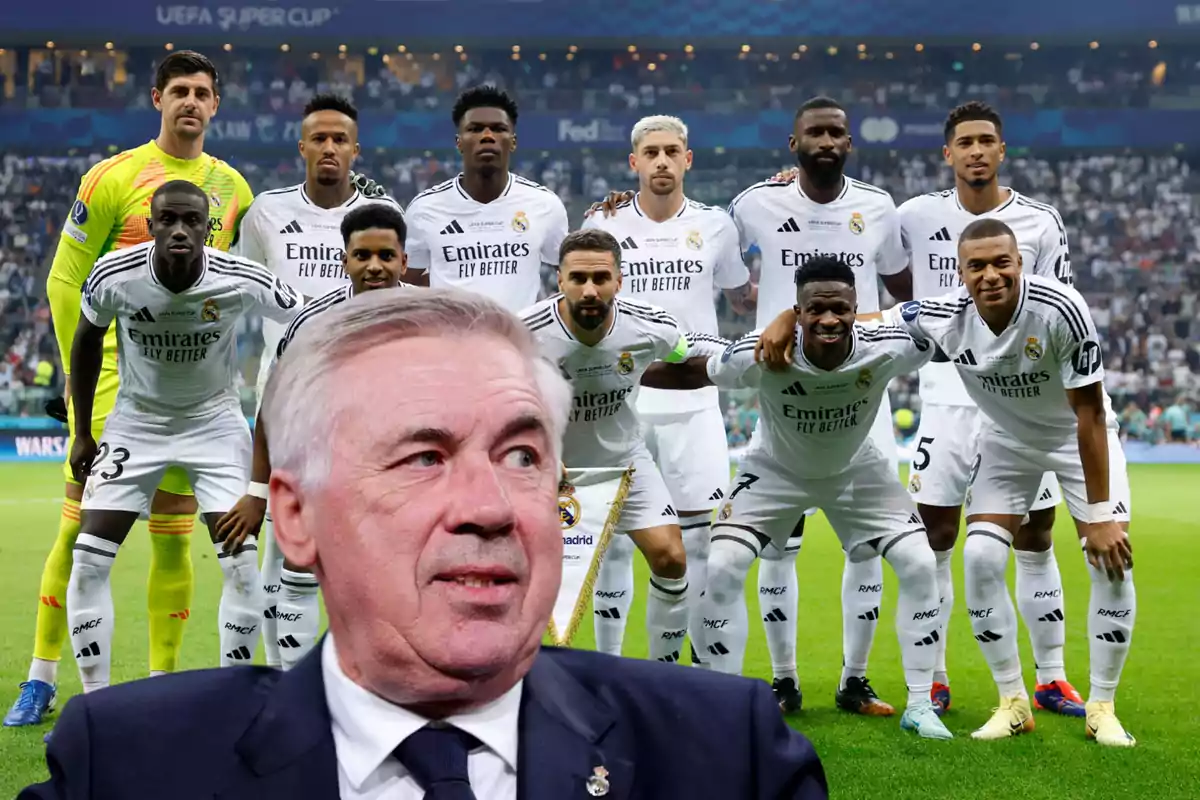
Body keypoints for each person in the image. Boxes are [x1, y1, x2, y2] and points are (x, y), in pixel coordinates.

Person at [21, 288, 830, 800]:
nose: (489, 507)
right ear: (296, 520)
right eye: (422, 458)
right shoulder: (127, 768)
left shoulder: (730, 754)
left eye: (521, 456)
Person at [762, 218, 1136, 746]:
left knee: (1111, 557)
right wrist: (787, 317)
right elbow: (858, 319)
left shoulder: (1062, 309)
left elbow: (1091, 416)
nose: (990, 275)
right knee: (981, 558)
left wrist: (1099, 518)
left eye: (1001, 262)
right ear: (960, 272)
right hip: (1006, 442)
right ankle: (1011, 701)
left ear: (1019, 263)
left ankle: (1103, 704)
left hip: (1077, 436)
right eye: (976, 266)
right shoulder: (941, 313)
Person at [5, 50, 256, 729]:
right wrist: (72, 380)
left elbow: (237, 283)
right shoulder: (110, 178)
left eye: (203, 91)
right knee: (79, 534)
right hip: (115, 383)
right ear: (156, 99)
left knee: (176, 538)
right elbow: (66, 280)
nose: (191, 102)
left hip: (192, 387)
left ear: (216, 104)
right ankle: (41, 677)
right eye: (179, 90)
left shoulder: (233, 188)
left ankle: (160, 683)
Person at [641, 256, 951, 741]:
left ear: (856, 309)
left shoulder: (889, 347)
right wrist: (615, 373)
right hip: (774, 470)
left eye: (840, 309)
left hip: (856, 469)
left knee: (918, 561)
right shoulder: (762, 353)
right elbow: (692, 373)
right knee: (721, 566)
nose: (829, 319)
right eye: (815, 309)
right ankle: (725, 706)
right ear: (799, 312)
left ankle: (918, 705)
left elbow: (945, 317)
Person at [62, 181, 303, 694]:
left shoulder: (239, 278)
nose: (178, 229)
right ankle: (96, 705)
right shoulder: (114, 275)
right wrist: (81, 432)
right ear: (149, 227)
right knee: (86, 560)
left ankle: (232, 700)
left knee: (241, 565)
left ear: (206, 228)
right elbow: (86, 340)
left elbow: (304, 319)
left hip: (214, 424)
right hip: (136, 422)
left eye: (190, 220)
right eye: (166, 219)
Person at [893, 101, 1081, 716]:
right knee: (936, 533)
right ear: (947, 154)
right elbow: (882, 269)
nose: (976, 151)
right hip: (948, 390)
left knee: (1034, 534)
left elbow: (1058, 309)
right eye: (964, 142)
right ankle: (937, 676)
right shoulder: (913, 216)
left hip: (1021, 398)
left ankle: (1050, 676)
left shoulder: (1040, 221)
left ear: (1002, 151)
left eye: (986, 141)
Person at [726, 96, 910, 716]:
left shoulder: (878, 207)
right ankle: (783, 682)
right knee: (778, 545)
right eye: (815, 133)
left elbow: (900, 292)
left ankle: (854, 680)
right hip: (785, 390)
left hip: (859, 388)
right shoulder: (754, 203)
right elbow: (718, 270)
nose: (826, 141)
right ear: (793, 142)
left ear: (849, 142)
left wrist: (807, 317)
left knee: (870, 546)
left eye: (836, 132)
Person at [233, 93, 405, 669]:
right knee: (277, 556)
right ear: (301, 146)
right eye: (320, 139)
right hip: (289, 394)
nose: (329, 148)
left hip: (375, 404)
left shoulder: (384, 214)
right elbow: (242, 291)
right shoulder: (265, 213)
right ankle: (276, 681)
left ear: (356, 150)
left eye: (340, 140)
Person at [579, 114, 757, 667]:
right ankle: (610, 669)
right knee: (610, 543)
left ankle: (695, 673)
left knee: (701, 544)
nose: (661, 161)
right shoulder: (603, 224)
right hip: (621, 402)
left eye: (671, 151)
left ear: (688, 159)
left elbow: (742, 300)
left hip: (695, 404)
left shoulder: (718, 226)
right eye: (650, 152)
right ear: (633, 162)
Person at [519, 229, 721, 663]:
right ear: (559, 280)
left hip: (626, 461)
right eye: (578, 278)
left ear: (619, 280)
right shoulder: (522, 333)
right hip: (556, 471)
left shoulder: (651, 326)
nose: (589, 290)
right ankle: (529, 680)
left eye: (600, 277)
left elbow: (689, 356)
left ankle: (663, 678)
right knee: (537, 582)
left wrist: (749, 354)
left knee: (671, 558)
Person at [403, 85, 569, 311]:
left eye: (498, 129)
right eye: (475, 129)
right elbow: (406, 283)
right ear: (459, 142)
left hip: (517, 343)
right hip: (453, 342)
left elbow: (573, 271)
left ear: (513, 141)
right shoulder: (424, 209)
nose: (487, 136)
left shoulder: (545, 205)